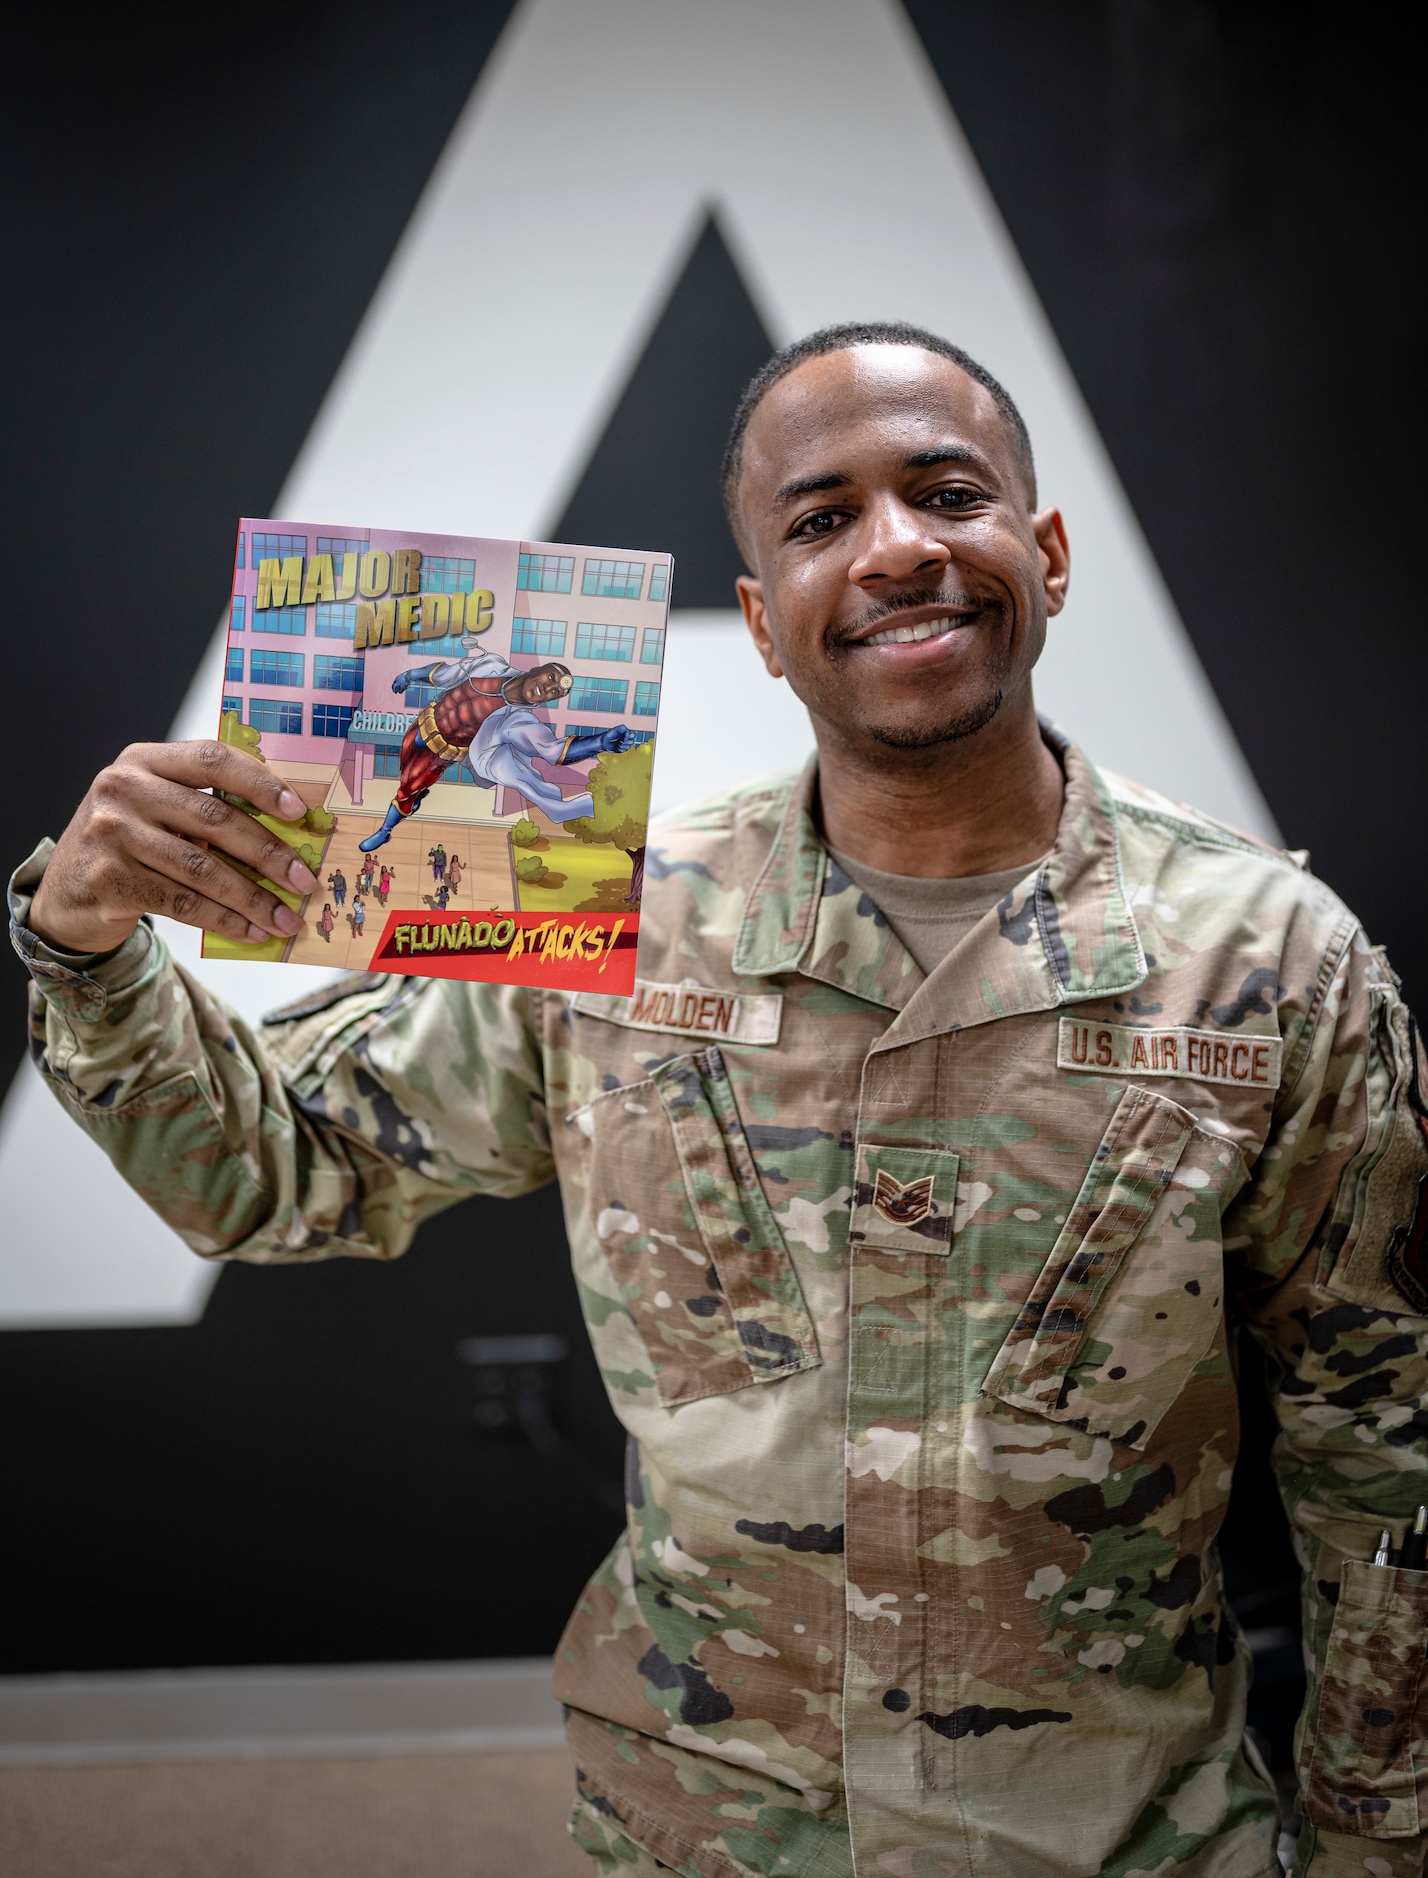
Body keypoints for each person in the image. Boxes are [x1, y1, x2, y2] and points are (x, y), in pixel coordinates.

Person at [10, 322, 1427, 1878]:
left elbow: (1380, 1450)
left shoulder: (1272, 959)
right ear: (761, 621)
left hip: (1123, 1836)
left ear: (1048, 552)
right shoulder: (608, 922)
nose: (896, 550)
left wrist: (1375, 1834)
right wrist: (89, 951)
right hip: (711, 1833)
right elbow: (270, 1174)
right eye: (822, 521)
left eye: (948, 493)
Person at [357, 654, 641, 852]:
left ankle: (384, 831)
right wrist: (410, 675)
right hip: (419, 726)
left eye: (555, 692)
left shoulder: (520, 720)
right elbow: (445, 673)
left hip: (440, 752)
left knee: (407, 788)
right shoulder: (491, 665)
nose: (549, 687)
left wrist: (600, 742)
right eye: (551, 677)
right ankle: (412, 801)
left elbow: (553, 750)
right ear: (537, 670)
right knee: (405, 777)